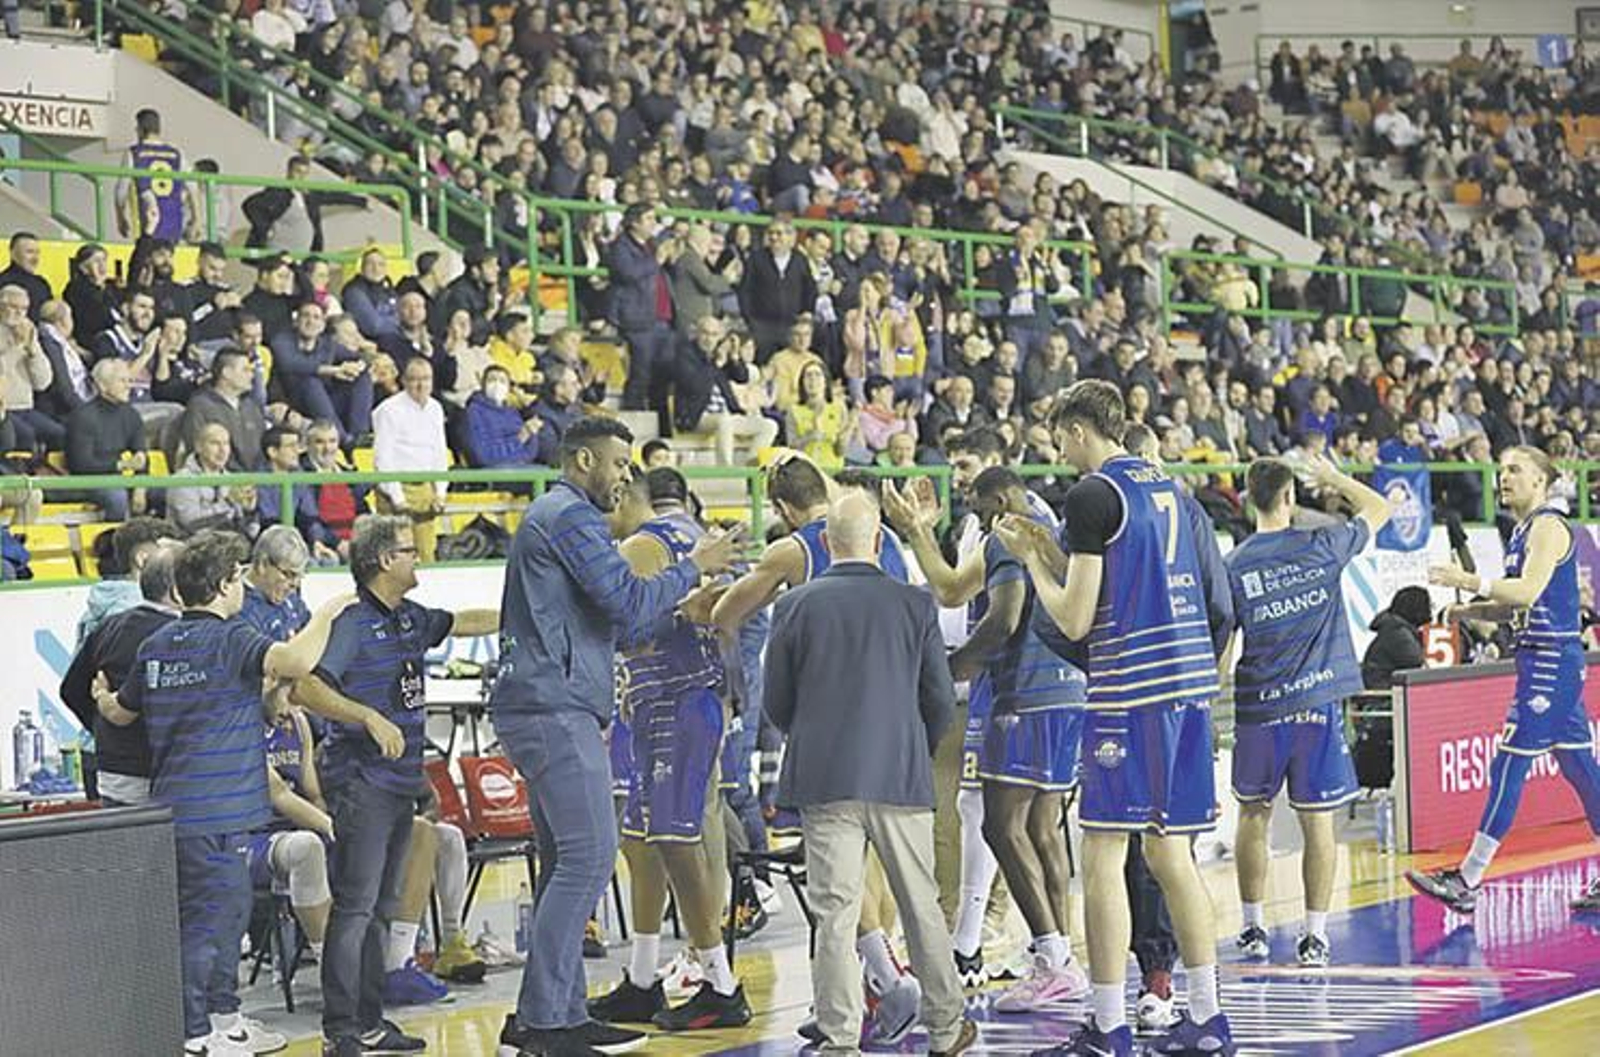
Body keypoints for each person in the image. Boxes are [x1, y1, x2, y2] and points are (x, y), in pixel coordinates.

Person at [490, 417, 742, 1057]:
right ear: (581, 461)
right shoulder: (570, 516)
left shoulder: (557, 517)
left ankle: (561, 1014)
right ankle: (545, 1024)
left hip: (550, 703)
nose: (626, 475)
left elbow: (613, 623)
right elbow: (628, 600)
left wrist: (672, 602)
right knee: (591, 858)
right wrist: (693, 568)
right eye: (618, 463)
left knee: (564, 866)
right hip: (554, 708)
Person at [997, 380, 1232, 1056]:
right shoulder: (1171, 489)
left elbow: (1073, 614)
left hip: (1131, 691)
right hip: (1189, 690)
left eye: (1059, 439)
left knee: (1102, 852)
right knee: (1171, 854)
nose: (1060, 452)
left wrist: (1030, 561)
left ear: (1076, 430)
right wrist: (1048, 548)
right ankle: (1210, 1020)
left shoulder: (1093, 493)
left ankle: (1107, 1023)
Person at [91, 531, 355, 1057]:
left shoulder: (157, 645)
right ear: (222, 584)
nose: (240, 586)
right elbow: (296, 660)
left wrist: (100, 697)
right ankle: (194, 1033)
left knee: (228, 919)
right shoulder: (234, 638)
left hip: (214, 813)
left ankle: (225, 1019)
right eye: (237, 576)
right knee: (204, 926)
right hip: (208, 813)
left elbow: (123, 711)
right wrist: (329, 612)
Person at [762, 488, 978, 1057]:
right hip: (900, 776)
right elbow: (937, 699)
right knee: (920, 905)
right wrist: (913, 746)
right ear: (880, 541)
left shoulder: (794, 606)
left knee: (834, 915)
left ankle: (838, 1039)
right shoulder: (914, 604)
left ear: (827, 542)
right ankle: (948, 1027)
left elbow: (775, 704)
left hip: (824, 778)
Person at [291, 514, 500, 1056]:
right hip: (361, 782)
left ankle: (370, 1020)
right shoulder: (353, 623)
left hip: (400, 782)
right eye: (410, 550)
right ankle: (341, 1030)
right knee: (356, 906)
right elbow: (306, 690)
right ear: (385, 561)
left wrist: (520, 614)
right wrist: (367, 717)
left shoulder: (410, 617)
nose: (419, 558)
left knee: (383, 905)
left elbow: (466, 622)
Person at [587, 468, 752, 1032]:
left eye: (605, 506)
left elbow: (615, 619)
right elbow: (724, 609)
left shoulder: (643, 545)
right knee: (641, 840)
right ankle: (640, 978)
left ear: (627, 498)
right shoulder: (691, 531)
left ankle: (721, 986)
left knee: (675, 842)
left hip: (677, 701)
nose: (599, 519)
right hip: (685, 697)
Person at [1409, 447, 1600, 914]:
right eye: (1502, 470)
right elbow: (1513, 603)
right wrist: (1464, 610)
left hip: (1551, 661)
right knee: (1580, 769)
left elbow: (1528, 589)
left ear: (1541, 480)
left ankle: (1468, 878)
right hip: (1542, 660)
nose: (1504, 477)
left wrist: (1470, 581)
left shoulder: (1550, 527)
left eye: (1516, 469)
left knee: (1509, 764)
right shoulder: (1522, 532)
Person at [1225, 456, 1390, 968]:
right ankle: (1315, 937)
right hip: (1315, 708)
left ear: (1250, 498)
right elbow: (1381, 508)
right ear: (1291, 497)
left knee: (1253, 814)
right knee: (1319, 822)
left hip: (1258, 708)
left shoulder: (1234, 565)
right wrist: (1338, 479)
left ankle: (1252, 928)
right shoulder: (1322, 544)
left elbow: (1223, 654)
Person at [946, 467, 1089, 1012]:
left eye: (982, 508)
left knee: (999, 825)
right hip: (1068, 687)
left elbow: (1004, 619)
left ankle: (1052, 959)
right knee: (1042, 827)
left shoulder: (1007, 531)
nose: (981, 521)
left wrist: (952, 670)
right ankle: (1060, 955)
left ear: (1001, 499)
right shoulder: (1050, 523)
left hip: (1025, 693)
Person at [59, 540, 182, 807]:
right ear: (177, 591)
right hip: (162, 773)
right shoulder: (179, 636)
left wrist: (103, 729)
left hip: (113, 771)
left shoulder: (110, 627)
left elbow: (71, 689)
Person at [373, 357, 449, 562]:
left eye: (426, 379)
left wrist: (441, 492)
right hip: (395, 489)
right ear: (404, 381)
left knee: (426, 554)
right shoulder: (388, 410)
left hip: (424, 487)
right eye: (414, 379)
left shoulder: (435, 408)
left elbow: (439, 452)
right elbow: (383, 457)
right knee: (396, 555)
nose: (421, 384)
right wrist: (398, 498)